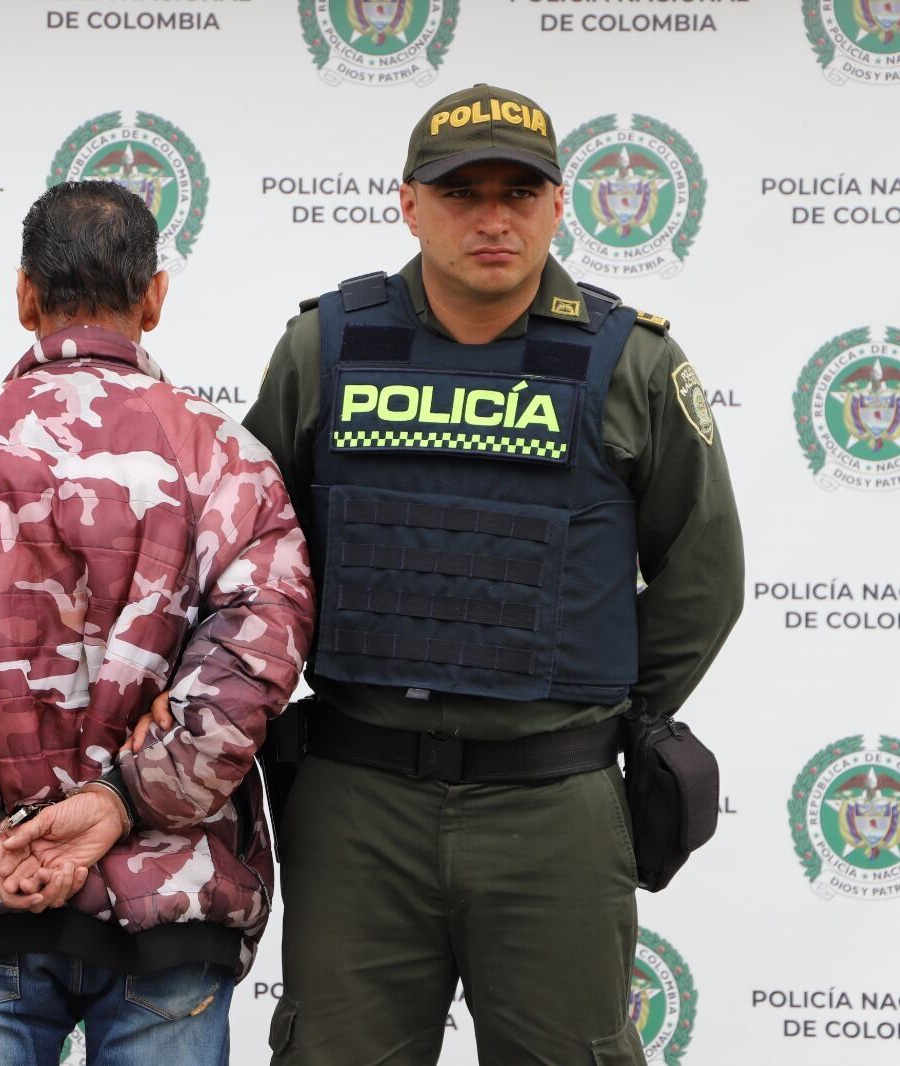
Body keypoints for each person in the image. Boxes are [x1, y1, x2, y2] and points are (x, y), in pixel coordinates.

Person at [247, 84, 745, 1065]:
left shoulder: (631, 363)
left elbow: (701, 575)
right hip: (359, 803)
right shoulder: (326, 348)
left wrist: (597, 706)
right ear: (406, 203)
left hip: (551, 807)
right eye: (460, 190)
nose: (491, 217)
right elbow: (254, 561)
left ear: (559, 206)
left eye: (518, 192)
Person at [0, 179, 315, 1066]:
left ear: (25, 296)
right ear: (155, 298)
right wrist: (124, 800)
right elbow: (254, 666)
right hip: (170, 907)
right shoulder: (227, 460)